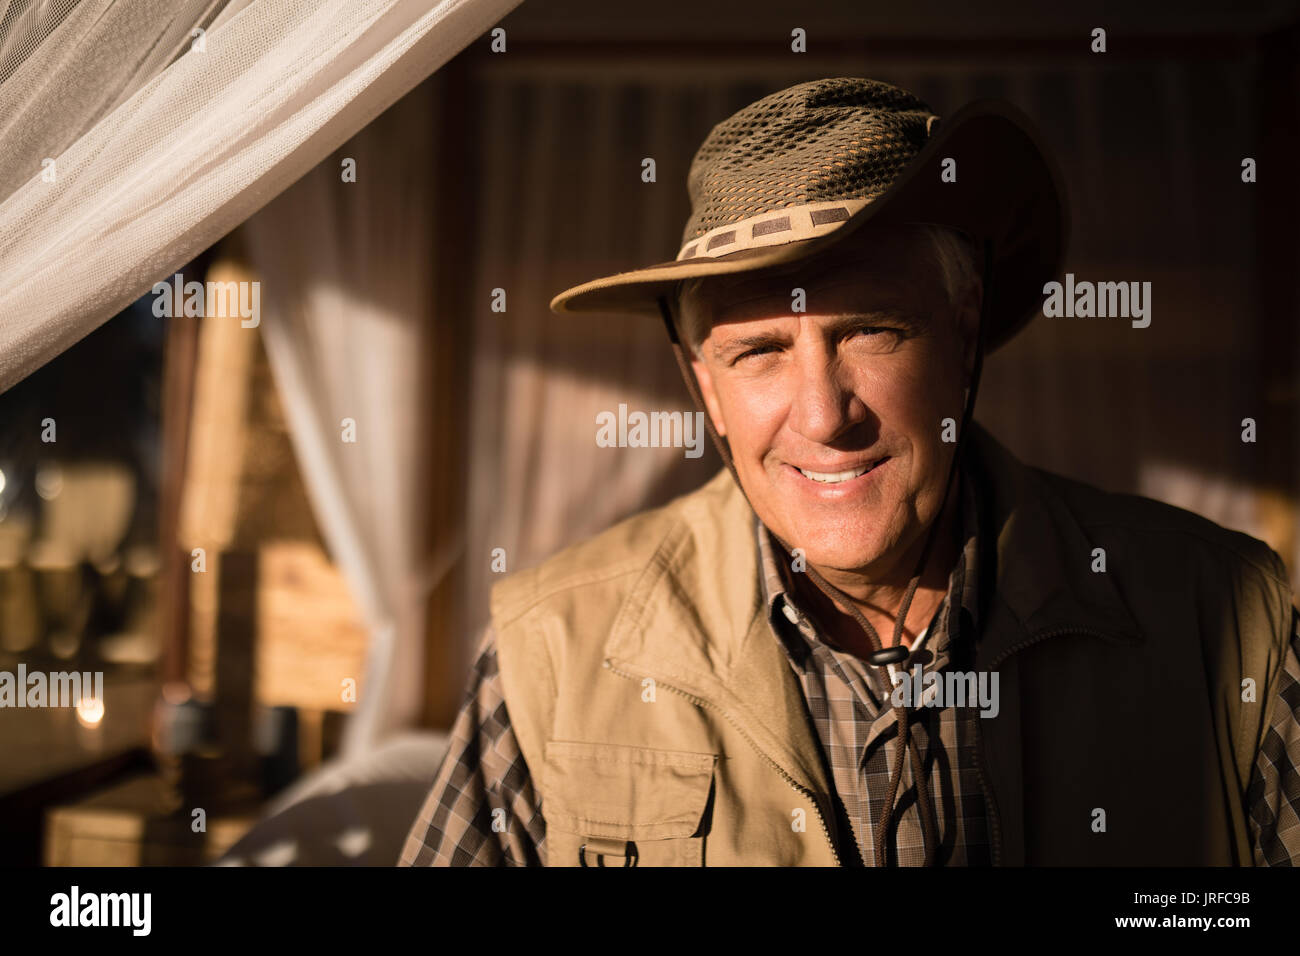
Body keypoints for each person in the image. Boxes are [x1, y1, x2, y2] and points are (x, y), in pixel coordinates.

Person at [400, 77, 1300, 866]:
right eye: (758, 352)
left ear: (964, 331)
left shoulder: (1220, 612)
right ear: (702, 386)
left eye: (870, 330)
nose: (826, 415)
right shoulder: (552, 648)